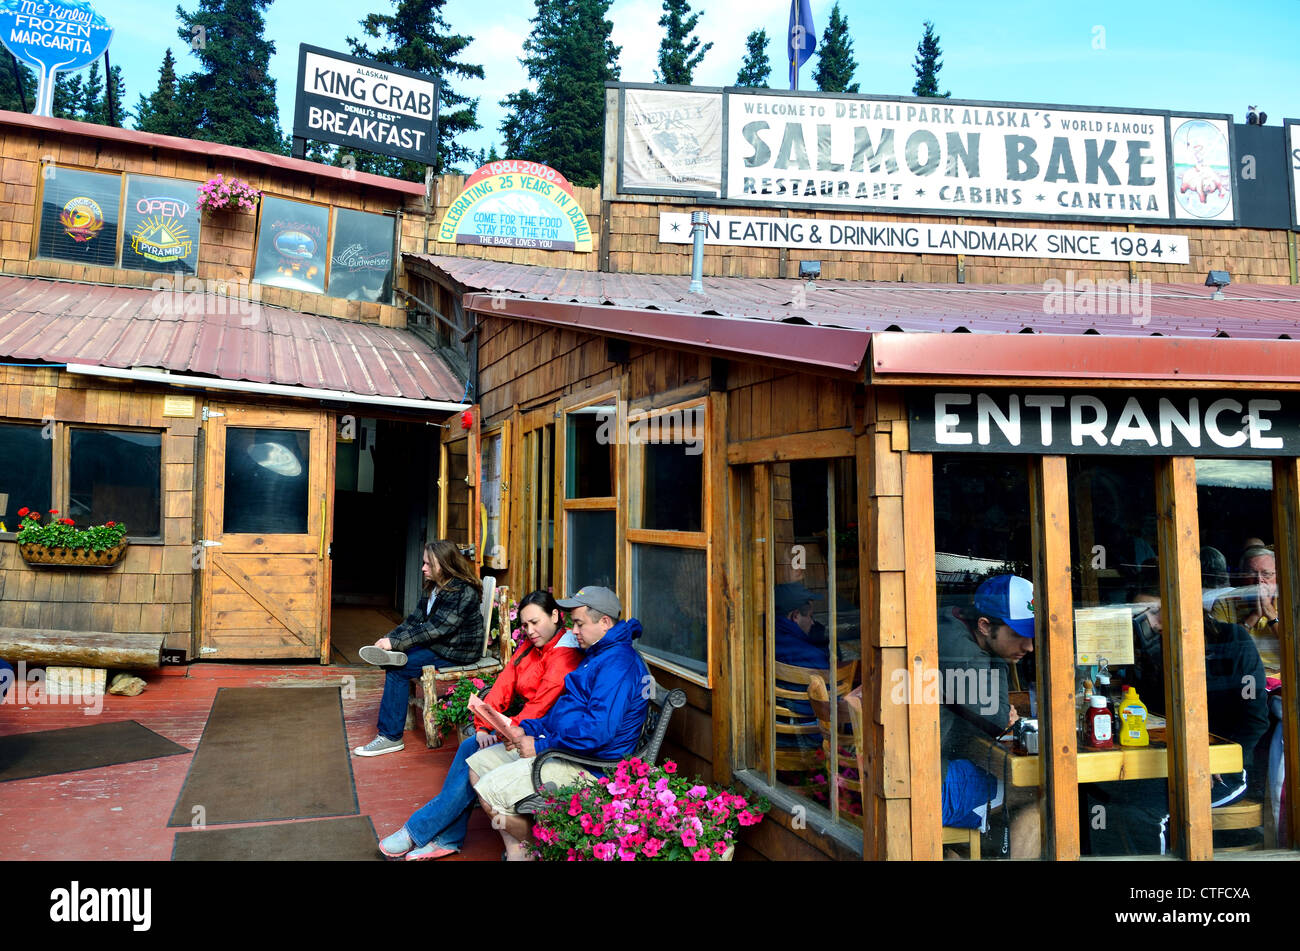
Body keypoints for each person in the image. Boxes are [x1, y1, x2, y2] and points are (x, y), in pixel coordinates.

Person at [376, 590, 583, 859]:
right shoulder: (531, 647)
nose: (530, 631)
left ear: (555, 616)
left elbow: (540, 708)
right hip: (519, 727)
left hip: (541, 736)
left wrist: (500, 731)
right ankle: (446, 838)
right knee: (472, 747)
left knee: (472, 752)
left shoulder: (564, 655)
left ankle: (418, 832)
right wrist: (484, 723)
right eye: (524, 625)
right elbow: (502, 686)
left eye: (535, 622)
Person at [465, 585, 649, 861]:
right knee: (478, 767)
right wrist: (526, 729)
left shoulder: (618, 664)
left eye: (579, 624)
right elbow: (563, 713)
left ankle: (541, 849)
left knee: (490, 793)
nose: (573, 631)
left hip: (589, 766)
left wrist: (542, 745)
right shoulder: (598, 654)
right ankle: (521, 848)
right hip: (564, 750)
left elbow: (597, 731)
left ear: (605, 623)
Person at [937, 573, 1039, 858]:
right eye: (1018, 634)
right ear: (984, 625)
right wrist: (1002, 713)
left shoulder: (950, 622)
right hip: (928, 789)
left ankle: (958, 853)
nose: (1029, 647)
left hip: (919, 772)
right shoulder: (960, 652)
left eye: (1031, 635)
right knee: (1048, 791)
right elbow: (997, 718)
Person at [353, 540, 485, 757]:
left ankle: (390, 737)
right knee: (397, 660)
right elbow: (415, 621)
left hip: (459, 650)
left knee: (399, 668)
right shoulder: (433, 587)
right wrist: (390, 638)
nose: (423, 568)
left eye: (428, 564)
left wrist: (395, 645)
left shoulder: (462, 591)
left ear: (443, 564)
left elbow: (436, 629)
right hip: (441, 645)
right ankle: (391, 657)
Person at [1210, 545, 1281, 678]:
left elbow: (1295, 647)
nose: (1259, 580)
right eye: (1251, 574)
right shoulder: (1225, 602)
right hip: (1241, 677)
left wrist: (1271, 615)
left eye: (1266, 574)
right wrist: (1253, 617)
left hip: (1282, 677)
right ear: (1242, 577)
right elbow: (1219, 650)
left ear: (1277, 576)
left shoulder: (1290, 602)